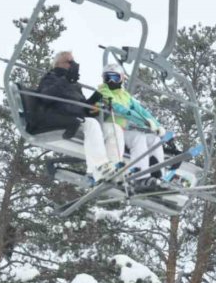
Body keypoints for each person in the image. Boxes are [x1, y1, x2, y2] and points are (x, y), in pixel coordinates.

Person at [33, 51, 122, 181]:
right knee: (91, 124)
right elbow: (46, 97)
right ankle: (100, 166)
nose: (73, 65)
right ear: (57, 64)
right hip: (59, 118)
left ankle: (115, 168)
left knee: (113, 128)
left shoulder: (75, 85)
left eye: (73, 62)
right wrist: (66, 79)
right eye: (69, 62)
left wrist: (98, 97)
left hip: (79, 118)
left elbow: (84, 107)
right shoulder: (50, 78)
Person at [90, 64, 168, 187]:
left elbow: (142, 111)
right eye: (107, 78)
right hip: (112, 127)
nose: (110, 81)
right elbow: (119, 109)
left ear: (121, 78)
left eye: (115, 78)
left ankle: (159, 177)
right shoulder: (103, 91)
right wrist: (144, 121)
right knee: (139, 138)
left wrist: (157, 125)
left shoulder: (125, 95)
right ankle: (140, 177)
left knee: (155, 139)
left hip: (125, 130)